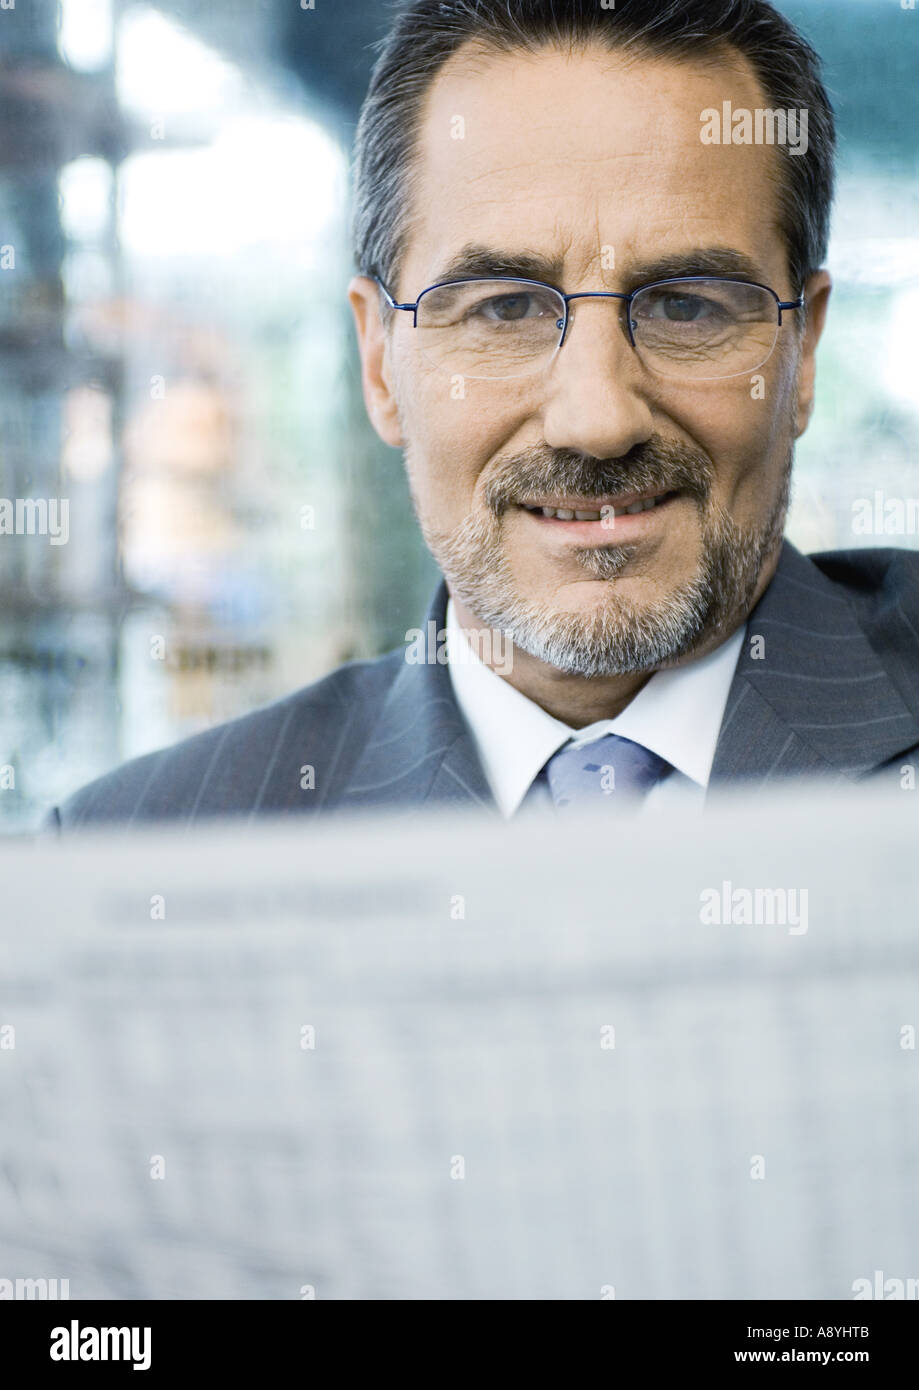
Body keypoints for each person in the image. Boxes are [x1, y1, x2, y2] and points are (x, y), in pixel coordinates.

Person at [49, 0, 919, 830]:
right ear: (380, 364)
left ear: (800, 355)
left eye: (685, 307)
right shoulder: (134, 856)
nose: (597, 418)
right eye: (505, 309)